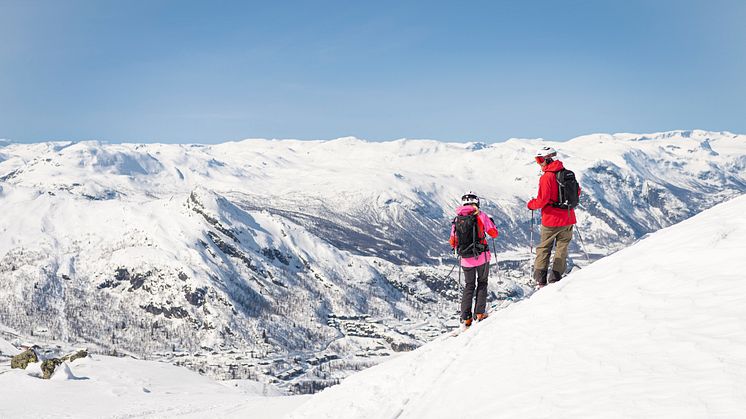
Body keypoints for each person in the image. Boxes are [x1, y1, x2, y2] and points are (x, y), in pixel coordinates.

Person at [527, 146, 581, 288]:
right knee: (562, 248)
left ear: (547, 159)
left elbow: (542, 200)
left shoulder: (547, 177)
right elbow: (577, 192)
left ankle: (541, 280)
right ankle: (555, 278)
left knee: (544, 248)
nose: (538, 163)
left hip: (551, 219)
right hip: (568, 218)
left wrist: (531, 205)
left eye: (539, 160)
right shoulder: (567, 174)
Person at [449, 192, 499, 327]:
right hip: (481, 257)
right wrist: (491, 224)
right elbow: (494, 233)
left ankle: (466, 318)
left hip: (466, 259)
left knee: (469, 286)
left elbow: (452, 241)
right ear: (477, 203)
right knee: (482, 283)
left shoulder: (457, 219)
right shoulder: (481, 216)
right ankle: (479, 313)